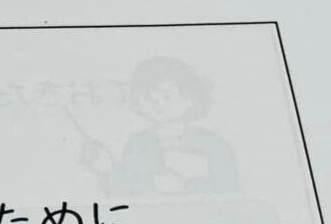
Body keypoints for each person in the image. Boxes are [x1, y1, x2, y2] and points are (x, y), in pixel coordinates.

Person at [80, 56, 241, 197]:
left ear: (190, 99)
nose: (157, 103)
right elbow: (127, 195)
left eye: (167, 96)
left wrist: (185, 187)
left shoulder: (214, 145)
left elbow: (230, 191)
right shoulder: (138, 144)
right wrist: (107, 170)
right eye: (147, 97)